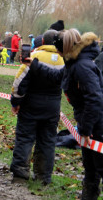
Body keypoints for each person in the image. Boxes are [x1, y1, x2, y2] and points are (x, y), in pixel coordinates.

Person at [28, 29, 103, 199]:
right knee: (90, 166)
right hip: (88, 123)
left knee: (99, 165)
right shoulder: (72, 64)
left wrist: (86, 128)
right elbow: (56, 76)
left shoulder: (82, 67)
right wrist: (34, 65)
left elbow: (95, 99)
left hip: (97, 124)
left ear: (65, 48)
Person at [10, 30, 64, 185]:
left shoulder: (33, 58)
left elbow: (19, 83)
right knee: (47, 142)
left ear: (42, 42)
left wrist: (15, 102)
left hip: (30, 106)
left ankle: (20, 173)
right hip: (52, 108)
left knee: (25, 139)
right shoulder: (64, 60)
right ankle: (43, 177)